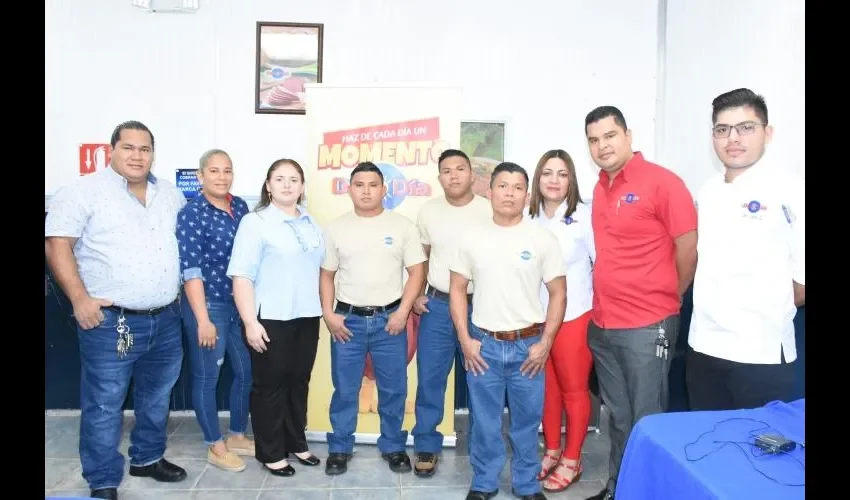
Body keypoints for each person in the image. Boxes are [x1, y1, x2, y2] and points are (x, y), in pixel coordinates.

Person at [45, 121, 188, 500]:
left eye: (144, 149)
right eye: (129, 148)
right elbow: (57, 244)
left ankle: (147, 457)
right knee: (106, 403)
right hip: (110, 322)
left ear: (153, 153)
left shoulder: (171, 195)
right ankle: (103, 478)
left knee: (158, 397)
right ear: (112, 151)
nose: (137, 155)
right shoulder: (82, 192)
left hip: (166, 318)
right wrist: (79, 299)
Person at [583, 106, 698, 500]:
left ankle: (649, 493)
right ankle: (619, 487)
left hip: (647, 326)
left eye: (610, 136)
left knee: (649, 421)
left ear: (628, 136)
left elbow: (688, 248)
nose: (602, 146)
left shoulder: (664, 183)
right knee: (618, 417)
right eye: (594, 140)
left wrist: (672, 295)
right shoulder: (600, 188)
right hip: (603, 325)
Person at [450, 162, 567, 500]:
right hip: (483, 345)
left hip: (528, 345)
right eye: (503, 186)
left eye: (517, 187)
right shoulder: (471, 237)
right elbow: (457, 288)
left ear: (527, 195)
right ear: (490, 191)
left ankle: (527, 484)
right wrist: (465, 340)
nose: (509, 193)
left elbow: (558, 292)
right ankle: (484, 482)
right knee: (484, 422)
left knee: (527, 422)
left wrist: (546, 342)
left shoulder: (542, 238)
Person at [687, 88, 805, 411]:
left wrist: (765, 303)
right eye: (722, 130)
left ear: (768, 133)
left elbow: (802, 280)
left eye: (746, 127)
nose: (733, 138)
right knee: (708, 447)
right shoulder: (707, 192)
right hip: (704, 347)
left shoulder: (789, 188)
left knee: (760, 453)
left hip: (761, 354)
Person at [320, 161, 427, 476]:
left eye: (373, 185)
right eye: (359, 185)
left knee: (394, 389)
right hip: (347, 322)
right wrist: (329, 314)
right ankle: (340, 447)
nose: (366, 191)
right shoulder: (336, 228)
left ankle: (393, 446)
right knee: (345, 388)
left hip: (389, 321)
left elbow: (417, 272)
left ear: (384, 189)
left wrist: (403, 312)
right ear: (349, 189)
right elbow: (326, 275)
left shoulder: (402, 226)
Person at [226, 159, 324, 476]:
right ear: (268, 185)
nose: (286, 184)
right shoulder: (255, 223)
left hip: (307, 316)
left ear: (302, 186)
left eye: (293, 179)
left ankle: (295, 442)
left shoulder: (311, 222)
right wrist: (250, 323)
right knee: (270, 386)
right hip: (270, 318)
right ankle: (270, 451)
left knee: (298, 382)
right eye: (279, 178)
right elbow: (241, 276)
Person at [411, 149, 492, 477]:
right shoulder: (429, 210)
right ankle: (427, 445)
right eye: (447, 170)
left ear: (473, 174)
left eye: (461, 169)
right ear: (440, 177)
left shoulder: (489, 209)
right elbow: (422, 257)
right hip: (439, 307)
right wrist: (416, 294)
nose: (454, 175)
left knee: (482, 380)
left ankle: (482, 449)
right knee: (430, 378)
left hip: (482, 306)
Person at [177, 149, 253, 472]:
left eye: (227, 171)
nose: (222, 177)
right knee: (207, 376)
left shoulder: (241, 207)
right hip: (207, 305)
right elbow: (190, 269)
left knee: (246, 371)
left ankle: (236, 434)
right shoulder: (192, 213)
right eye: (214, 171)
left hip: (238, 304)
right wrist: (202, 319)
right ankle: (215, 445)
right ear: (200, 176)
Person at [526, 149, 595, 493]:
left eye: (562, 174)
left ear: (571, 180)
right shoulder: (528, 216)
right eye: (547, 173)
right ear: (537, 179)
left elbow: (602, 265)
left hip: (574, 316)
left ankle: (572, 458)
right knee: (547, 389)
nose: (554, 180)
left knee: (573, 389)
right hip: (535, 318)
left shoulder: (585, 217)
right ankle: (552, 450)